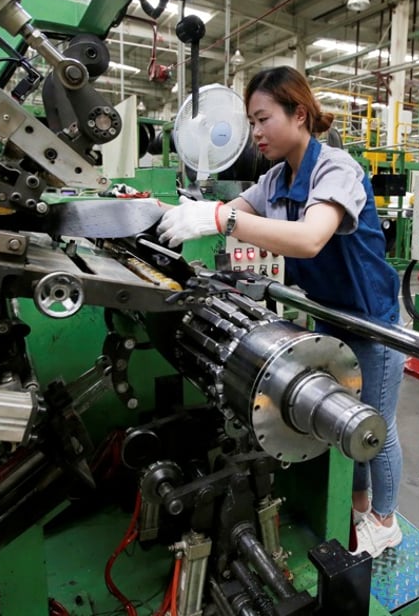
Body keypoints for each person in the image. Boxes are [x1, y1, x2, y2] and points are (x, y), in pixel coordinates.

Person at [157, 66, 405, 559]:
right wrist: (171, 209)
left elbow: (311, 239)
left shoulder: (337, 168)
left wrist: (218, 220)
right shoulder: (274, 179)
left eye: (263, 118)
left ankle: (386, 519)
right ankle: (359, 509)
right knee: (344, 424)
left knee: (375, 424)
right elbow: (238, 211)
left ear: (300, 114)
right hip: (332, 318)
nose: (255, 133)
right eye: (250, 122)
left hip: (372, 323)